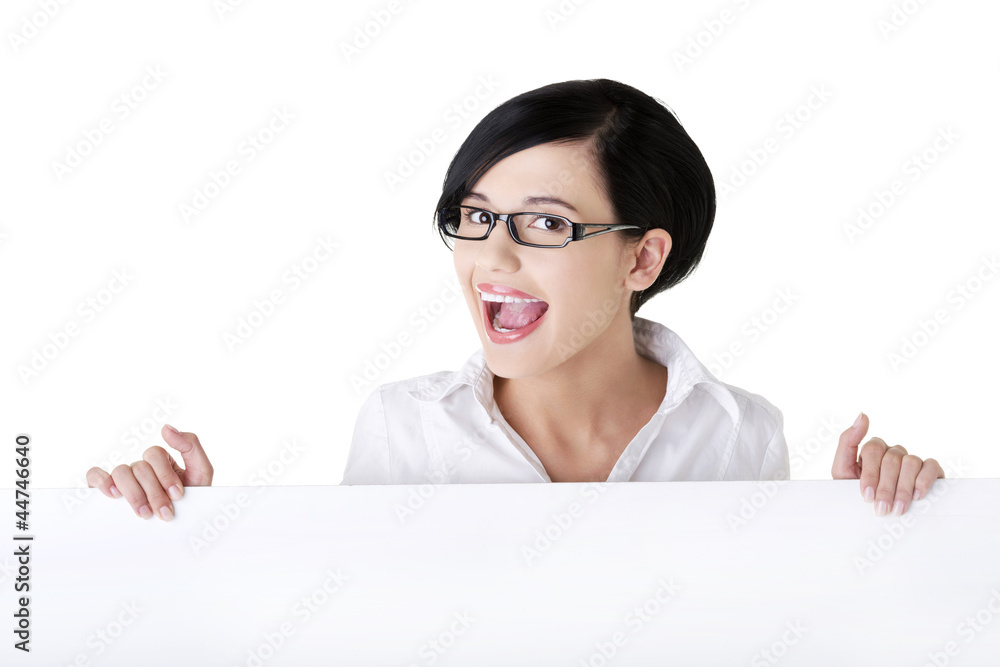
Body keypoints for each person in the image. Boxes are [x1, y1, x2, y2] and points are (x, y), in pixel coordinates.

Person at [86, 78, 944, 522]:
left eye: (544, 223)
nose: (490, 258)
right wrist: (193, 531)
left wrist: (867, 531)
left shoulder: (739, 434)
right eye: (475, 216)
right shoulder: (402, 430)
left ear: (641, 257)